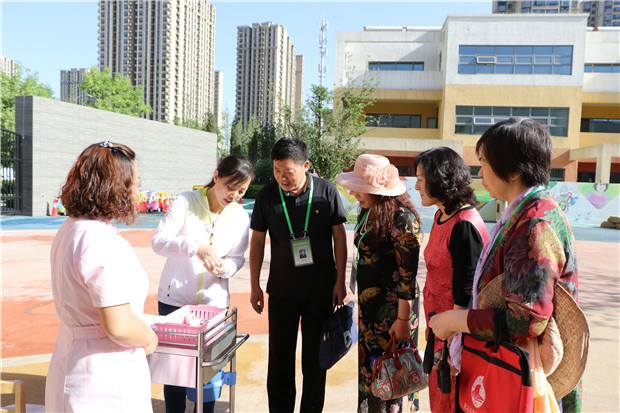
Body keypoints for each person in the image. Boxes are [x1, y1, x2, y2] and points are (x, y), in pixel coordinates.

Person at [428, 118, 581, 412]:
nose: (480, 172)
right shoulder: (523, 212)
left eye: (485, 163)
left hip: (524, 377)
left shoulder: (535, 224)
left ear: (513, 170)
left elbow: (527, 320)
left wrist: (456, 321)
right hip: (513, 370)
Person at [45, 141, 158, 412]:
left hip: (74, 360)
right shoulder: (99, 240)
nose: (137, 192)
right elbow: (119, 326)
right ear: (116, 187)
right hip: (103, 379)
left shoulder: (72, 228)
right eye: (135, 184)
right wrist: (149, 336)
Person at [249, 137, 348, 413]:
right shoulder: (267, 196)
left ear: (305, 166)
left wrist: (340, 280)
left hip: (321, 292)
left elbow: (339, 237)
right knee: (279, 360)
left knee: (316, 361)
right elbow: (257, 241)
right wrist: (255, 285)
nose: (282, 176)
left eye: (288, 171)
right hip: (282, 292)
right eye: (277, 170)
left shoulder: (326, 191)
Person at [152, 154, 254, 413]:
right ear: (216, 176)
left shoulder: (240, 217)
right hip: (174, 301)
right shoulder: (186, 201)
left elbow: (237, 258)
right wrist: (195, 247)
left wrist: (224, 269)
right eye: (230, 186)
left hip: (213, 306)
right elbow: (159, 241)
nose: (234, 195)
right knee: (174, 373)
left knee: (208, 374)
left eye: (241, 191)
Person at [336, 154, 423, 413]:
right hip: (371, 313)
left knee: (393, 375)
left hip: (395, 315)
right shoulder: (369, 212)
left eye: (359, 188)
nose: (353, 193)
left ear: (378, 191)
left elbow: (407, 278)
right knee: (372, 375)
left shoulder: (402, 219)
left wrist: (403, 321)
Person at [413, 147, 489, 412]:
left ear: (439, 178)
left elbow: (467, 291)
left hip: (455, 338)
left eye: (420, 179)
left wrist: (455, 345)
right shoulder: (442, 214)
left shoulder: (464, 224)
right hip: (439, 330)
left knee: (454, 401)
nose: (416, 186)